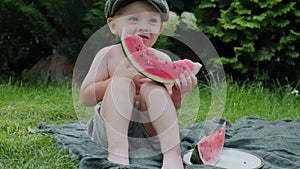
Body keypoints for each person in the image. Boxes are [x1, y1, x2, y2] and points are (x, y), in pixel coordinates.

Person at [80, 0, 198, 168]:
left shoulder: (163, 59)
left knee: (153, 88)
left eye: (152, 20)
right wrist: (116, 79)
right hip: (110, 131)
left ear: (160, 29)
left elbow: (169, 107)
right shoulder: (107, 55)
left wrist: (178, 94)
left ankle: (172, 154)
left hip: (150, 134)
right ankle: (118, 153)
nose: (144, 26)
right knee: (120, 85)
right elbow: (86, 97)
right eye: (134, 19)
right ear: (113, 26)